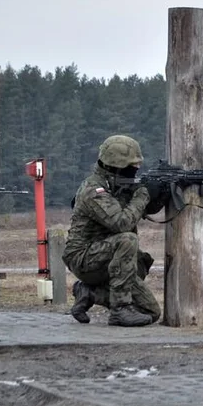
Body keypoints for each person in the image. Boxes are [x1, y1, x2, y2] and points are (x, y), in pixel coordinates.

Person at [63, 135, 167, 327]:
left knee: (150, 312)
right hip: (83, 258)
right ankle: (120, 310)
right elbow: (121, 223)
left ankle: (89, 293)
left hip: (106, 257)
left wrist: (159, 193)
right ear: (115, 166)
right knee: (127, 240)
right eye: (131, 166)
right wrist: (143, 194)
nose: (135, 170)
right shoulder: (94, 190)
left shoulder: (117, 184)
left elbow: (142, 209)